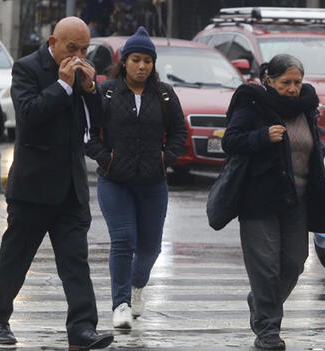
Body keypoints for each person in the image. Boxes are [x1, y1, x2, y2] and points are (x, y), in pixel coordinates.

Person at [0, 17, 114, 349]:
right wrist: (62, 86)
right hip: (33, 186)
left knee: (75, 261)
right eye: (71, 47)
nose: (78, 55)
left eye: (84, 49)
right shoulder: (26, 68)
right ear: (53, 42)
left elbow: (100, 122)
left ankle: (82, 328)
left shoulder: (83, 73)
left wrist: (91, 89)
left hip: (71, 188)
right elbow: (29, 116)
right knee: (15, 257)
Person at [222, 54, 325, 350]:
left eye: (297, 82)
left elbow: (314, 153)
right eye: (285, 82)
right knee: (265, 269)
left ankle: (260, 301)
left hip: (296, 201)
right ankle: (268, 331)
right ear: (269, 81)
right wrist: (261, 136)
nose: (292, 88)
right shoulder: (253, 105)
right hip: (258, 200)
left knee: (294, 263)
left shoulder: (306, 109)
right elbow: (230, 140)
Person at [85, 26, 186, 329]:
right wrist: (106, 157)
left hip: (153, 182)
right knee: (123, 239)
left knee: (151, 247)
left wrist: (166, 158)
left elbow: (179, 131)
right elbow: (89, 133)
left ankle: (136, 287)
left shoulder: (165, 94)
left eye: (148, 61)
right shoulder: (108, 91)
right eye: (136, 60)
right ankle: (120, 304)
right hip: (115, 180)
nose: (142, 66)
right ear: (124, 61)